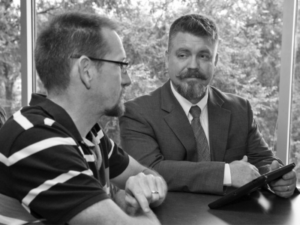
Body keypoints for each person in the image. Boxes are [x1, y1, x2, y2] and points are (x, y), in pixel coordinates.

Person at [0, 12, 167, 225]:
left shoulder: (92, 135)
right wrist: (125, 206)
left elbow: (147, 174)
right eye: (121, 65)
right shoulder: (34, 138)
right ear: (86, 71)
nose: (128, 79)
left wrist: (145, 188)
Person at [119, 14, 297, 197]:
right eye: (183, 55)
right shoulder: (137, 112)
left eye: (203, 56)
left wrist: (278, 178)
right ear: (167, 59)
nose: (193, 65)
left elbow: (263, 160)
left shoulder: (240, 109)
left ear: (216, 61)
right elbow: (148, 170)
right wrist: (226, 174)